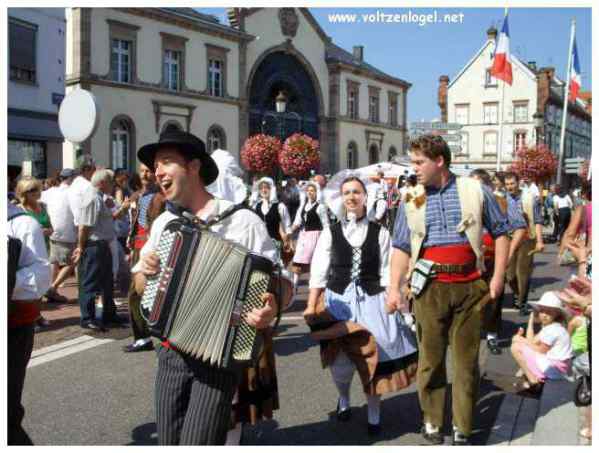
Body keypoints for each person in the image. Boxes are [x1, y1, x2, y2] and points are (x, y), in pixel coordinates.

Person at [132, 130, 292, 445]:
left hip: (217, 356)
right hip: (170, 353)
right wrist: (146, 273)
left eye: (165, 162)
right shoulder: (166, 223)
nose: (157, 172)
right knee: (169, 442)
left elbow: (282, 282)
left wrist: (272, 303)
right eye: (155, 165)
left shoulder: (243, 221)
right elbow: (138, 284)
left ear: (193, 167)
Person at [388, 135, 510, 445]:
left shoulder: (474, 189)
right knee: (430, 359)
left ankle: (462, 426)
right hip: (429, 288)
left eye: (419, 162)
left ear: (439, 161)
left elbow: (502, 232)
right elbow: (402, 246)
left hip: (470, 286)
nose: (414, 168)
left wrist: (497, 278)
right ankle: (432, 421)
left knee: (467, 361)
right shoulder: (411, 196)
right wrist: (394, 288)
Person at [303, 175, 418, 436]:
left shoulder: (381, 232)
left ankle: (374, 413)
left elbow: (389, 270)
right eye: (347, 193)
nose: (351, 197)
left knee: (372, 358)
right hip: (339, 301)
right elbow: (319, 270)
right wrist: (311, 304)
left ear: (365, 196)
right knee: (340, 362)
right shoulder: (331, 232)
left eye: (356, 192)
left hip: (372, 299)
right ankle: (344, 398)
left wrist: (394, 297)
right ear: (341, 198)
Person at [470, 169, 527, 355]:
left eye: (477, 184)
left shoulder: (502, 202)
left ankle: (492, 335)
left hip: (494, 258)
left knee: (494, 296)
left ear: (487, 186)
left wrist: (509, 254)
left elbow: (519, 227)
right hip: (470, 259)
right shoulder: (464, 202)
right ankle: (471, 332)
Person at [8, 203, 52, 444]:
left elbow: (42, 277)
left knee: (7, 414)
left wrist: (8, 278)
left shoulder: (21, 223)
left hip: (12, 327)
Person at [72, 169, 126, 331]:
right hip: (94, 245)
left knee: (107, 281)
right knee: (90, 282)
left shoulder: (99, 197)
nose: (113, 186)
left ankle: (109, 314)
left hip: (102, 244)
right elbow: (84, 227)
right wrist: (81, 247)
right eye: (111, 182)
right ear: (103, 183)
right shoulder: (92, 198)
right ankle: (87, 317)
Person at [122, 163, 165, 353]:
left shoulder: (161, 197)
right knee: (135, 294)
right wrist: (131, 242)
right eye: (142, 171)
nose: (145, 175)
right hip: (137, 249)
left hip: (151, 249)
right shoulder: (138, 196)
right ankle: (143, 336)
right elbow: (134, 222)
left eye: (149, 171)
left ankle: (148, 335)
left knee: (143, 293)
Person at [510, 291, 572, 394]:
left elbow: (541, 350)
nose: (544, 315)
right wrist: (530, 321)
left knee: (515, 347)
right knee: (519, 345)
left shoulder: (554, 329)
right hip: (555, 365)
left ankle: (533, 380)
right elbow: (532, 341)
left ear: (557, 313)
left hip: (555, 368)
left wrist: (520, 340)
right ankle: (532, 379)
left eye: (549, 312)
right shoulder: (552, 326)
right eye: (542, 311)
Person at [504, 172, 545, 316]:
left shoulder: (529, 198)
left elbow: (538, 220)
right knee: (509, 276)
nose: (510, 187)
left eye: (512, 184)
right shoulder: (502, 199)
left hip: (527, 237)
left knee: (523, 273)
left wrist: (539, 241)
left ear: (518, 183)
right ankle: (517, 294)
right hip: (508, 238)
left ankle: (522, 302)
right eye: (507, 184)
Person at [16, 176, 53, 328]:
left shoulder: (43, 206)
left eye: (38, 188)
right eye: (32, 190)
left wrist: (47, 231)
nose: (37, 192)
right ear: (23, 193)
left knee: (40, 284)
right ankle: (30, 317)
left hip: (44, 247)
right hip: (27, 251)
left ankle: (37, 314)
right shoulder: (19, 209)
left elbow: (51, 227)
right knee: (29, 285)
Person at [41, 168, 78, 304]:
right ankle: (53, 287)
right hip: (67, 233)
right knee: (72, 262)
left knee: (54, 261)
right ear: (70, 179)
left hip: (54, 231)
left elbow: (37, 196)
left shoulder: (51, 192)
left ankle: (51, 289)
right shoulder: (72, 192)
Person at [289, 181, 329, 294]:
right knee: (297, 259)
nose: (310, 193)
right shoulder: (303, 207)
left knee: (313, 262)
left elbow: (326, 224)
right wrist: (289, 232)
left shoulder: (320, 207)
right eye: (308, 191)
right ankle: (295, 285)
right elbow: (297, 221)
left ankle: (314, 286)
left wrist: (326, 238)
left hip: (316, 235)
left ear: (317, 193)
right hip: (303, 236)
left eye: (312, 191)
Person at [252, 177, 293, 263]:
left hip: (275, 244)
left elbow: (287, 225)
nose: (264, 190)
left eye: (266, 187)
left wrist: (288, 241)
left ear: (272, 189)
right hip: (260, 244)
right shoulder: (256, 206)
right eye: (261, 188)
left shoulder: (280, 206)